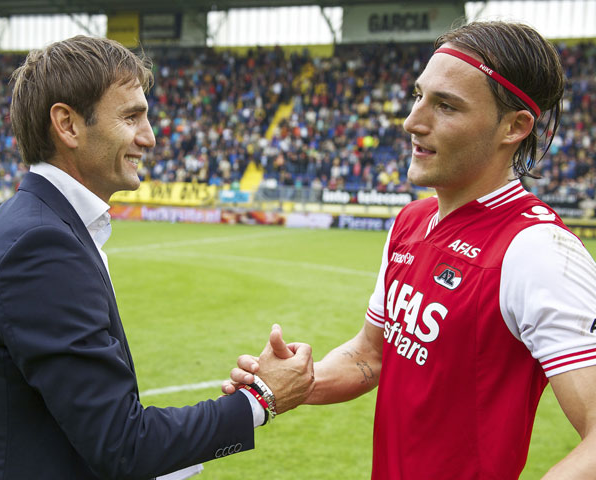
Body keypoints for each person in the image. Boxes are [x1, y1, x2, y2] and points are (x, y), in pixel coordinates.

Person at [226, 21, 596, 479]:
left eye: (446, 106)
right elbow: (371, 355)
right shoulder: (410, 222)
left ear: (514, 127)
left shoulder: (537, 249)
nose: (412, 121)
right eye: (419, 96)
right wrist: (288, 384)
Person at [0, 35, 314, 480]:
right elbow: (122, 446)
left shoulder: (37, 224)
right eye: (131, 117)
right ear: (67, 125)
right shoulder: (40, 247)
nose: (150, 136)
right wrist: (259, 400)